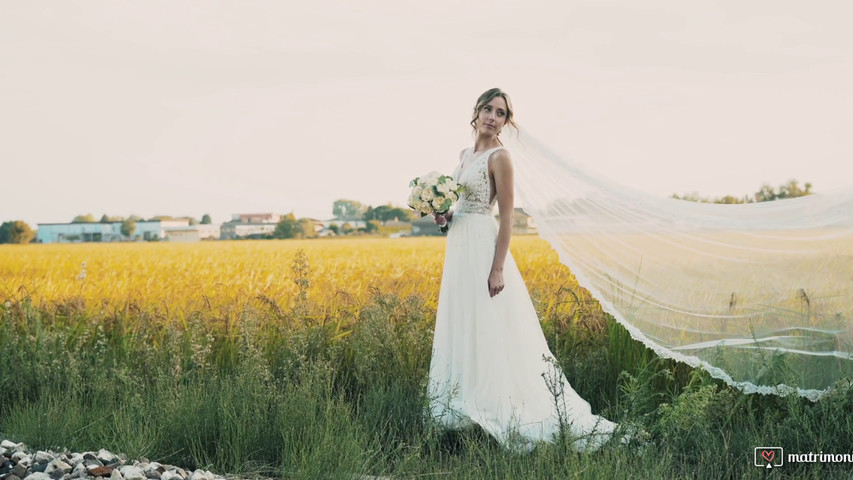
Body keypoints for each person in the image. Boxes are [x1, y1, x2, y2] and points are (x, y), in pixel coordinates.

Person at [426, 88, 620, 453]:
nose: (492, 117)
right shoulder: (465, 155)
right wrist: (444, 216)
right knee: (465, 320)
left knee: (491, 324)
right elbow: (463, 207)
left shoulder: (501, 157)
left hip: (484, 246)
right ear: (476, 111)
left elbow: (506, 215)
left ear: (505, 121)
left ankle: (498, 405)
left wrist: (497, 268)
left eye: (500, 113)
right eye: (488, 109)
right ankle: (463, 407)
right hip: (460, 244)